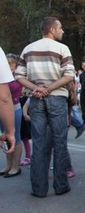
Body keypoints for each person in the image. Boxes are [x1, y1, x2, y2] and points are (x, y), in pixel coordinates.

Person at [15, 16, 75, 197]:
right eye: (60, 28)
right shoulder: (62, 49)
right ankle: (60, 185)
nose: (62, 31)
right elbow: (69, 75)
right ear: (52, 30)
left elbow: (19, 75)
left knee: (39, 144)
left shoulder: (28, 49)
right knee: (60, 142)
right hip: (56, 98)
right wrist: (49, 88)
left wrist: (36, 88)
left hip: (36, 99)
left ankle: (39, 189)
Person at [0, 54, 24, 177]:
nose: (8, 66)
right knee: (4, 136)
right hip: (2, 109)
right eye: (6, 63)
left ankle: (16, 166)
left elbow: (13, 91)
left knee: (15, 136)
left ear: (15, 65)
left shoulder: (17, 76)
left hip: (14, 108)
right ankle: (8, 164)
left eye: (10, 64)